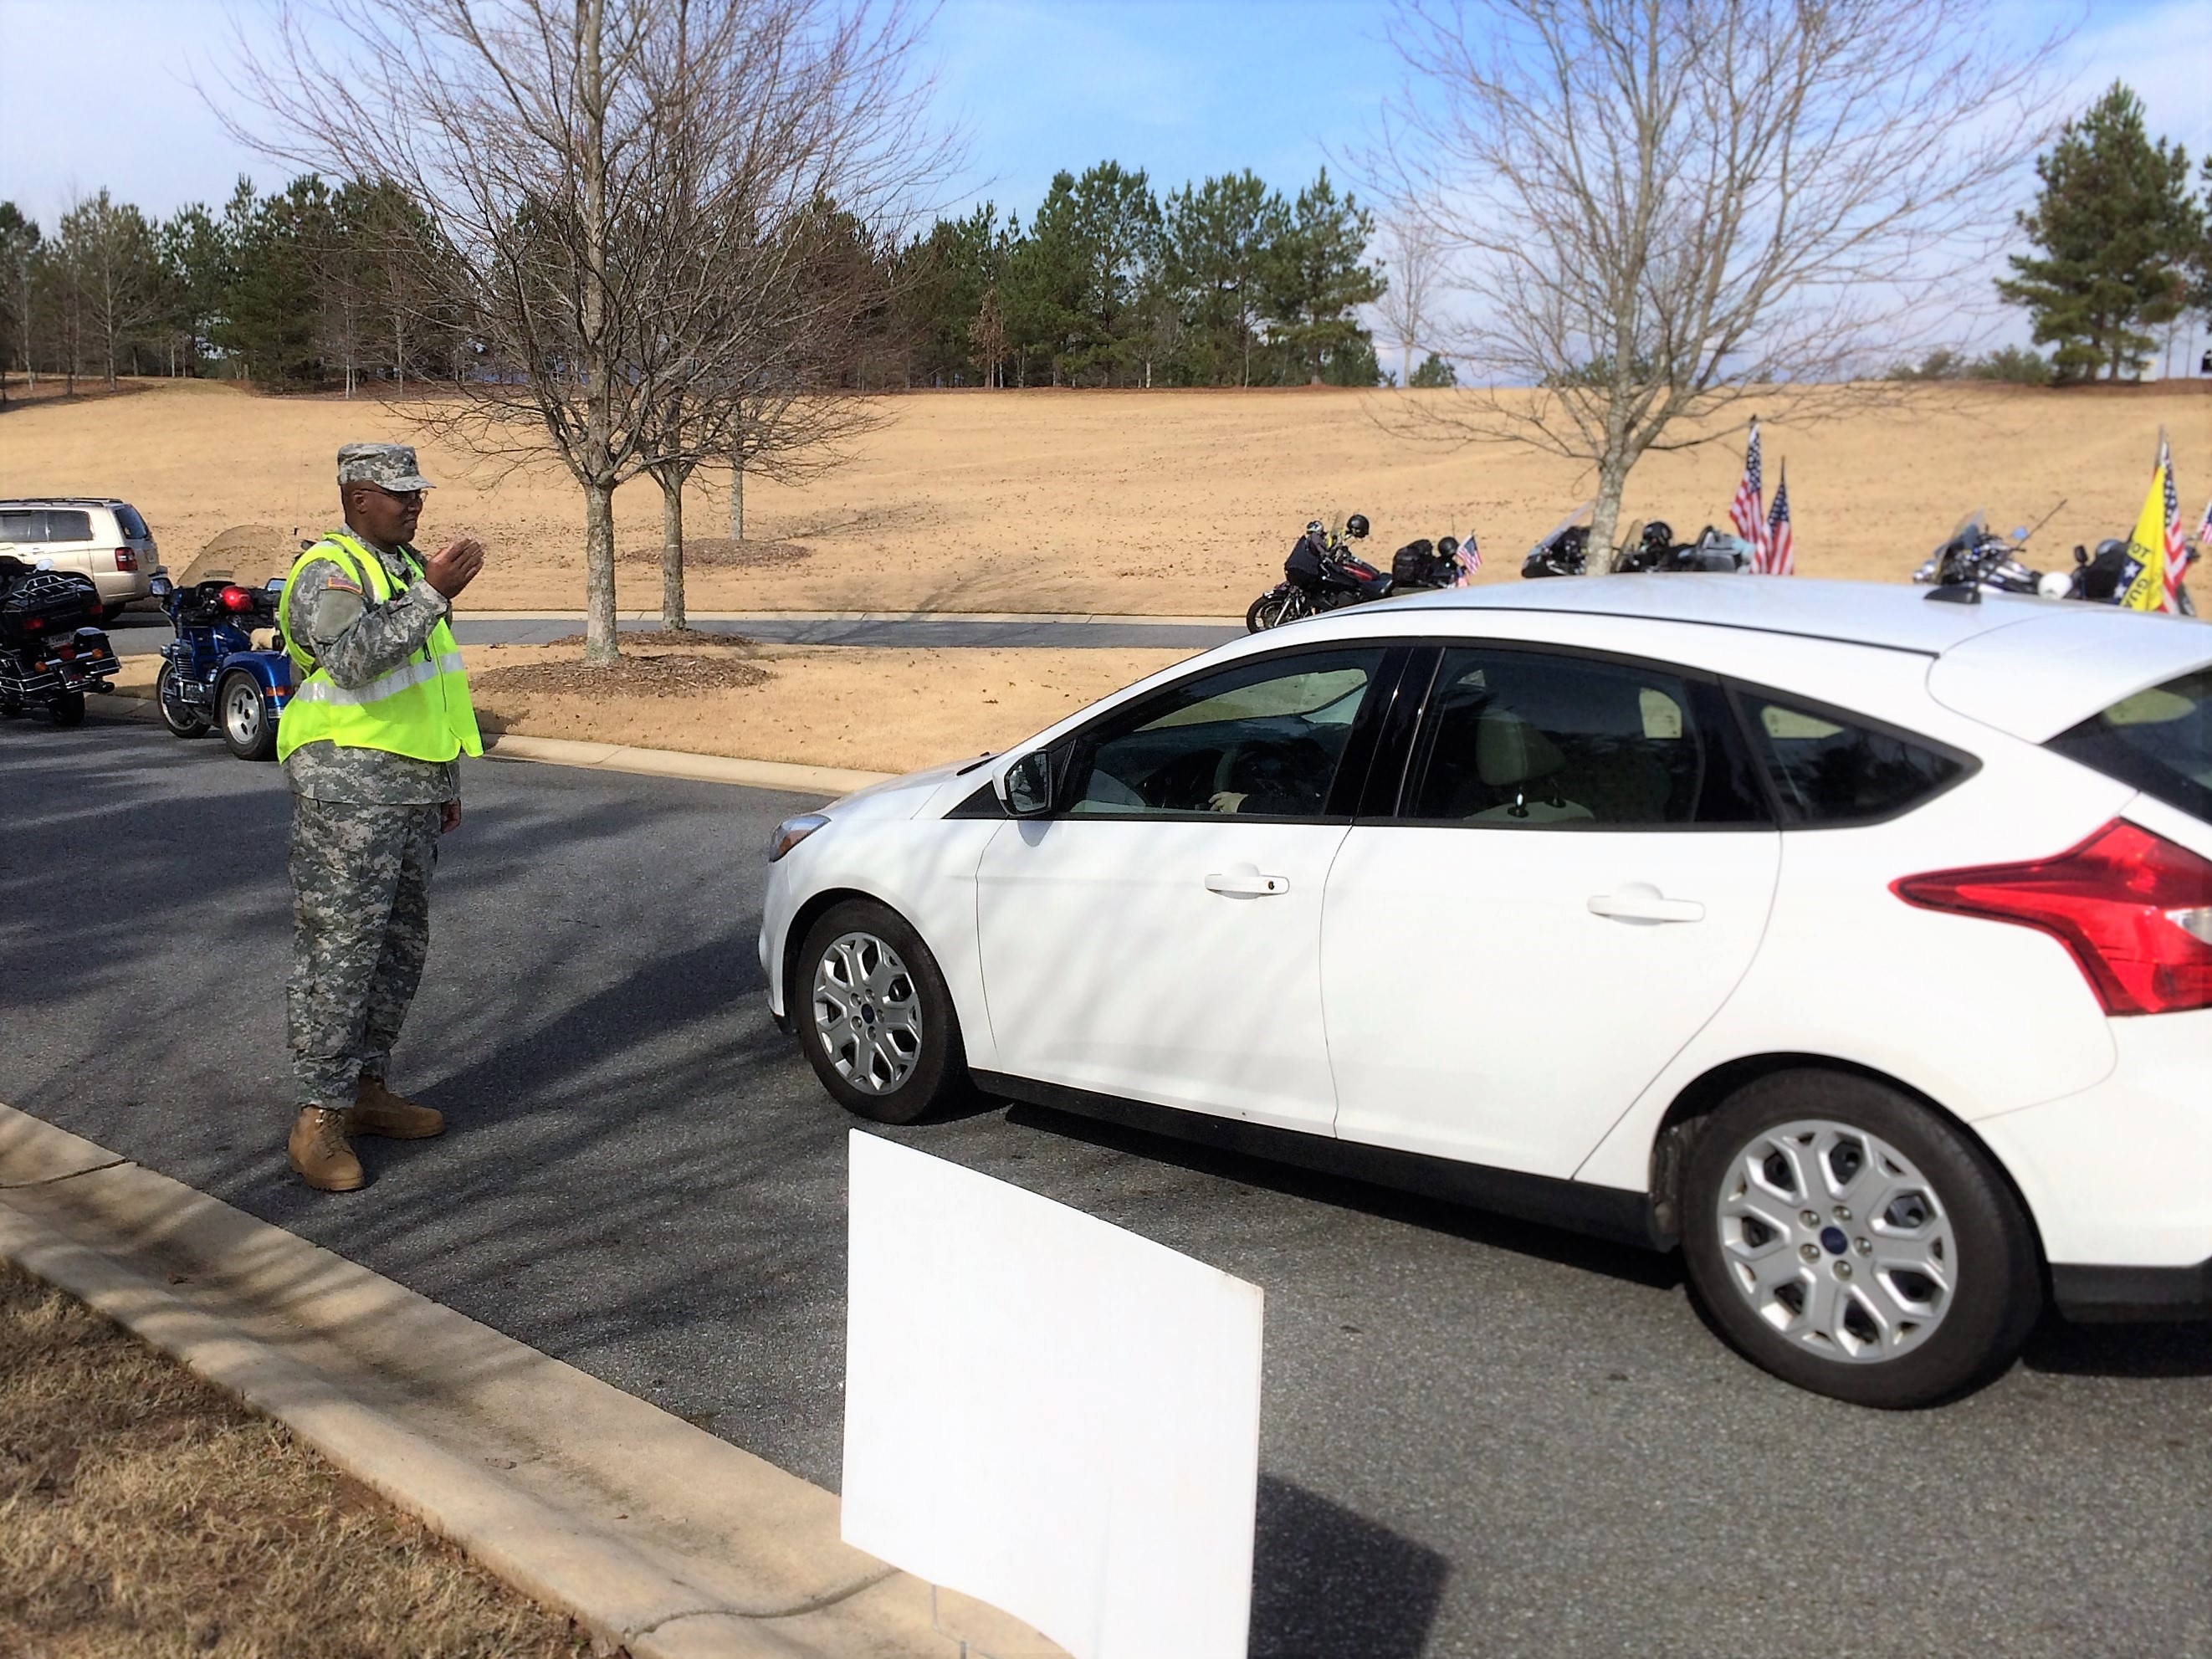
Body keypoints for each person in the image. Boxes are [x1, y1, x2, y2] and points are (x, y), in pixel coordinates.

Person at [278, 443, 485, 1191]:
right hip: (349, 798)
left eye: (417, 491)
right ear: (355, 496)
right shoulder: (330, 572)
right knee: (340, 956)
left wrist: (444, 777)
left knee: (398, 952)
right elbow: (355, 661)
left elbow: (430, 689)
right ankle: (318, 1117)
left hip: (410, 793)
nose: (413, 503)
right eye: (396, 493)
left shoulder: (402, 568)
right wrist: (432, 592)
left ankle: (366, 1090)